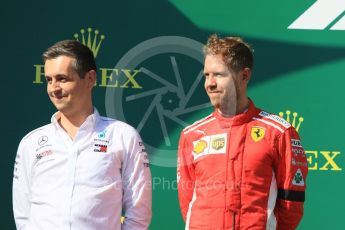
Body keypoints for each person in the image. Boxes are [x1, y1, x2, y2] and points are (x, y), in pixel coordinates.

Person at [12, 40, 152, 230]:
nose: (54, 88)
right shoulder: (31, 142)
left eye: (62, 79)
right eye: (49, 80)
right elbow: (23, 215)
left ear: (90, 78)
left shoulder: (123, 136)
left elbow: (139, 212)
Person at [177, 34, 308, 230]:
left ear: (244, 76)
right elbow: (187, 203)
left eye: (219, 74)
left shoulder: (279, 132)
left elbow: (292, 204)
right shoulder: (192, 134)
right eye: (206, 75)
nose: (209, 84)